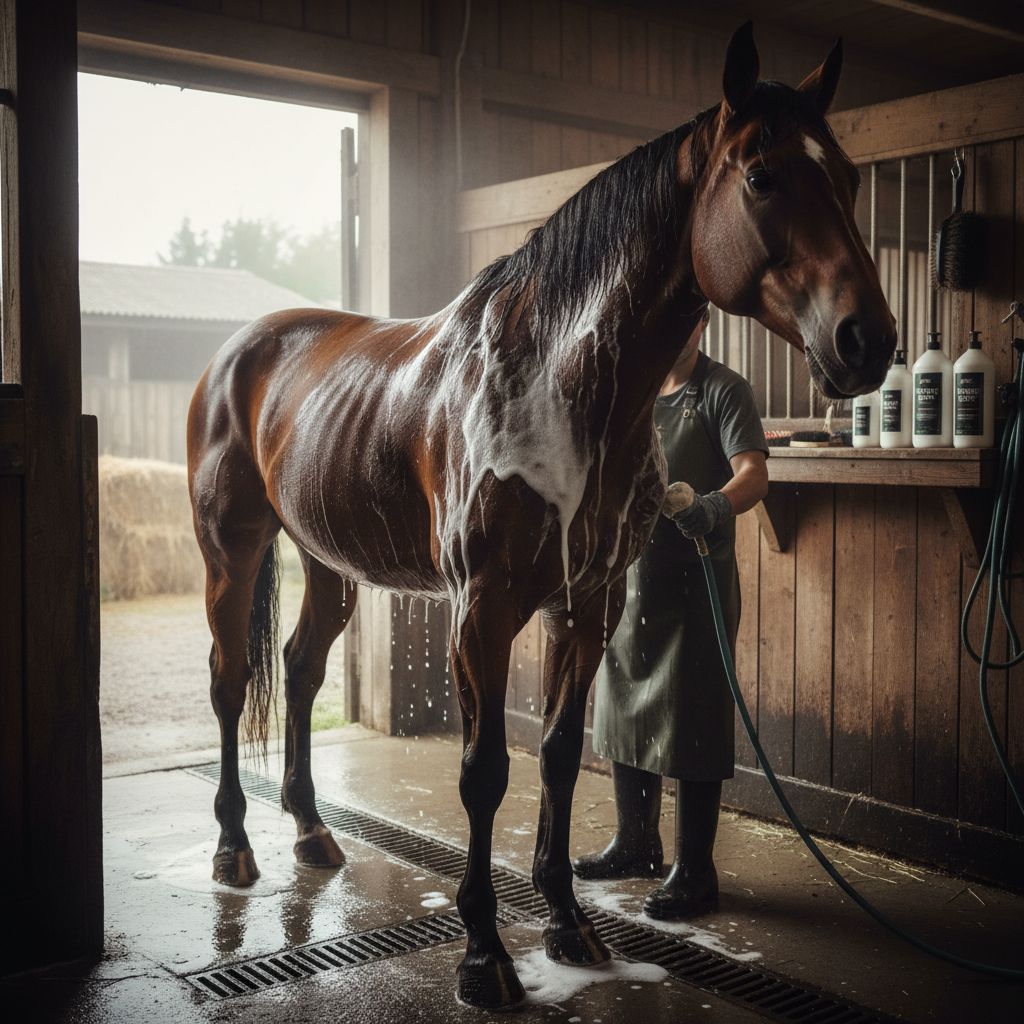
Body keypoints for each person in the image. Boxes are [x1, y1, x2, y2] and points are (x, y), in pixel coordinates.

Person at [576, 307, 769, 919]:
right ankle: (635, 843)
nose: (675, 332)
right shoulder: (631, 387)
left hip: (695, 586)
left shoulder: (722, 390)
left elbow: (754, 473)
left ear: (701, 324)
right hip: (629, 580)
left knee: (692, 719)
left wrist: (715, 506)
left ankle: (695, 870)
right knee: (623, 708)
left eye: (685, 322)